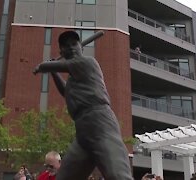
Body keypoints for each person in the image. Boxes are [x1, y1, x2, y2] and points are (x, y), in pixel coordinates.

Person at [33, 30, 133, 180]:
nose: (71, 47)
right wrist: (54, 72)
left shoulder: (87, 62)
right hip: (82, 131)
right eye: (66, 46)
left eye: (74, 44)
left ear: (81, 47)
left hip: (100, 123)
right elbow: (65, 91)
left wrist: (44, 66)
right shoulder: (74, 79)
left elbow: (55, 65)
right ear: (62, 51)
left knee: (117, 176)